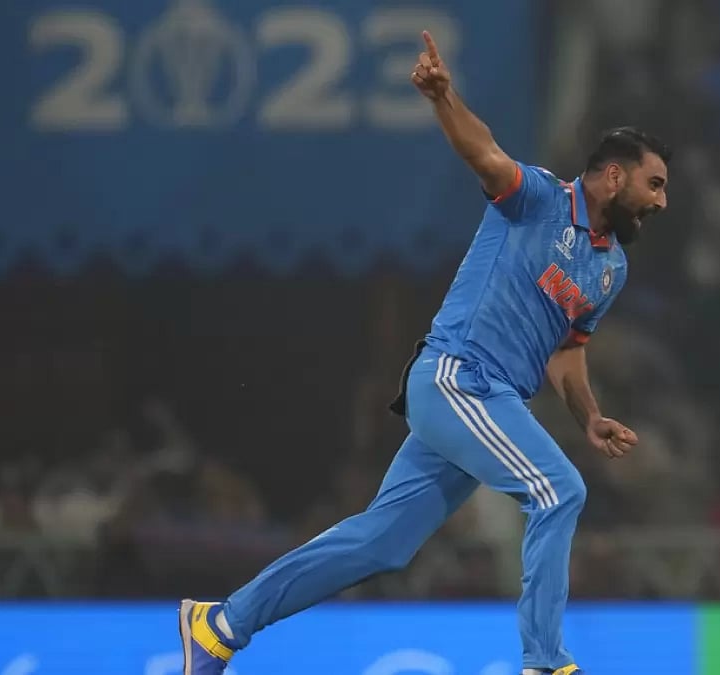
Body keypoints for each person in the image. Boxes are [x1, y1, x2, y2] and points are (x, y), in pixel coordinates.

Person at [177, 31, 670, 675]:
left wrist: (588, 417)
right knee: (558, 491)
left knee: (380, 543)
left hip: (484, 402)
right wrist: (443, 98)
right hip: (458, 379)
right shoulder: (542, 200)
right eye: (654, 183)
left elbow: (567, 352)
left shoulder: (611, 270)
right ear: (613, 175)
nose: (661, 200)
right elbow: (486, 155)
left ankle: (219, 625)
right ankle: (546, 663)